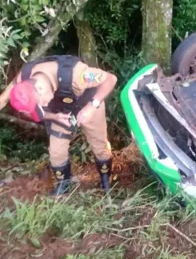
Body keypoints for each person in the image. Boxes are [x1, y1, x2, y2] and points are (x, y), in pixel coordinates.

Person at [8, 55, 118, 196]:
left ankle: (105, 181)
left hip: (89, 102)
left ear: (40, 88)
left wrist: (92, 106)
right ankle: (63, 185)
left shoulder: (77, 75)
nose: (43, 106)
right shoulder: (24, 80)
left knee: (100, 145)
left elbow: (111, 79)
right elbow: (33, 112)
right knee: (56, 152)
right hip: (60, 111)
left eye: (41, 103)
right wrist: (54, 116)